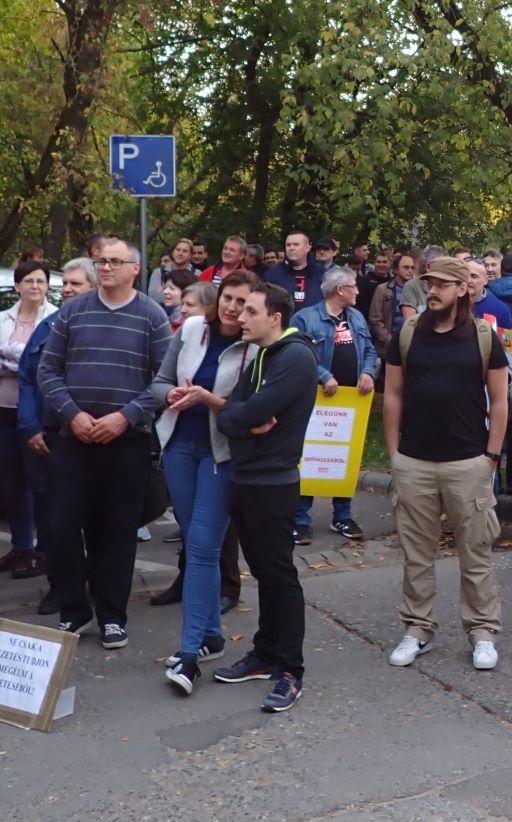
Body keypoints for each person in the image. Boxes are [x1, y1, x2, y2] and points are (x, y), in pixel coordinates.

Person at [37, 237, 171, 646]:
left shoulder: (152, 316)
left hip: (126, 441)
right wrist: (72, 415)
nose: (106, 267)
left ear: (135, 268)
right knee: (60, 526)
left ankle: (112, 615)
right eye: (101, 261)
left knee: (117, 532)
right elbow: (48, 370)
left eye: (115, 261)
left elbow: (164, 380)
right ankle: (74, 611)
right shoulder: (72, 312)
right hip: (74, 438)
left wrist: (125, 417)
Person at [383, 255, 508, 672]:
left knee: (475, 553)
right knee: (416, 553)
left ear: (462, 290)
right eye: (428, 283)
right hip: (414, 462)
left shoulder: (483, 335)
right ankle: (418, 629)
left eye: (441, 284)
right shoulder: (407, 333)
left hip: (468, 462)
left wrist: (491, 456)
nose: (431, 291)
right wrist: (394, 454)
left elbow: (501, 400)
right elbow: (394, 394)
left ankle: (483, 632)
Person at [212, 285, 319, 714]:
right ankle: (265, 652)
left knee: (279, 575)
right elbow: (231, 414)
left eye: (251, 311)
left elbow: (247, 413)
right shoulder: (261, 357)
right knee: (263, 572)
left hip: (274, 484)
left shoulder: (294, 358)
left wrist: (241, 417)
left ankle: (291, 670)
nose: (240, 316)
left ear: (275, 317)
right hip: (246, 479)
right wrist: (240, 418)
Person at [153, 270, 258, 695]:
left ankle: (190, 653)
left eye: (244, 303)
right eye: (229, 298)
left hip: (222, 454)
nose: (234, 309)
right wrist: (170, 396)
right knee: (200, 546)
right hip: (179, 445)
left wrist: (208, 399)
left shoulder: (256, 344)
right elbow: (159, 380)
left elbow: (249, 409)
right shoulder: (192, 328)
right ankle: (213, 635)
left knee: (200, 547)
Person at [17, 259, 95, 613]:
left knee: (91, 514)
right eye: (65, 284)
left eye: (76, 285)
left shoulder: (101, 326)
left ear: (94, 288)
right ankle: (59, 585)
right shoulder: (47, 327)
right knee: (51, 515)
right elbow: (27, 379)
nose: (66, 290)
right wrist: (30, 426)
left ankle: (95, 583)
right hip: (46, 436)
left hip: (90, 434)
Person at [0, 260, 58, 579]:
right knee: (11, 483)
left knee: (39, 483)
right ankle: (21, 545)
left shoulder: (53, 318)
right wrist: (17, 364)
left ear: (47, 286)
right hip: (0, 409)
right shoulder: (2, 317)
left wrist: (15, 358)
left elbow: (46, 363)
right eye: (28, 281)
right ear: (18, 286)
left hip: (35, 413)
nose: (35, 287)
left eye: (40, 281)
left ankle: (44, 552)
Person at [291, 265, 376, 545]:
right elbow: (296, 353)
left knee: (345, 458)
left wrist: (367, 372)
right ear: (340, 290)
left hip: (351, 401)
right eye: (354, 286)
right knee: (312, 456)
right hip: (315, 401)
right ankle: (300, 520)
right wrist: (324, 376)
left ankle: (343, 515)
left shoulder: (357, 318)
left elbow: (369, 349)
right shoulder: (305, 318)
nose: (358, 291)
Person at [265, 231, 325, 310]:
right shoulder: (273, 274)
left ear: (307, 248)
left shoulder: (322, 273)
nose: (291, 248)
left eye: (296, 244)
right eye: (288, 245)